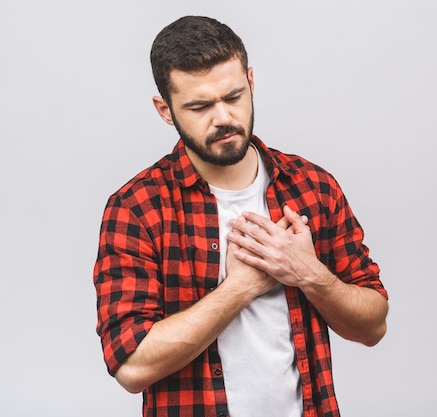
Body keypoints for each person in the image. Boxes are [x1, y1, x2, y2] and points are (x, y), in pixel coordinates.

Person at [93, 15, 388, 417]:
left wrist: (307, 272)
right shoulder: (138, 208)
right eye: (199, 106)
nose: (223, 119)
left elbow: (373, 325)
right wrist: (241, 287)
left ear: (251, 81)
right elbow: (131, 366)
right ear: (165, 109)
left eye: (233, 97)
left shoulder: (312, 187)